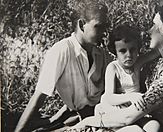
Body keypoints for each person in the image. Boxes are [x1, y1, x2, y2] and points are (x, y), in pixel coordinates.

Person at [66, 4, 163, 132]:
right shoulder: (156, 64)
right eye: (122, 51)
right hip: (127, 111)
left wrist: (87, 121)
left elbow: (131, 114)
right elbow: (112, 99)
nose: (149, 30)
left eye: (154, 25)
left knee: (151, 127)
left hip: (145, 118)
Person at [15, 1, 112, 132]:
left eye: (105, 27)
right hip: (80, 120)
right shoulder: (62, 50)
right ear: (82, 25)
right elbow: (39, 95)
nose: (104, 32)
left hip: (101, 116)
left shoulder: (102, 54)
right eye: (98, 27)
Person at [93, 24, 160, 132]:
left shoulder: (137, 63)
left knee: (154, 126)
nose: (129, 55)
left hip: (133, 110)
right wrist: (131, 96)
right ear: (114, 52)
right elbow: (109, 97)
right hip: (115, 111)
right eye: (123, 51)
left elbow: (155, 53)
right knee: (135, 130)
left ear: (138, 49)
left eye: (133, 50)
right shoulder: (113, 67)